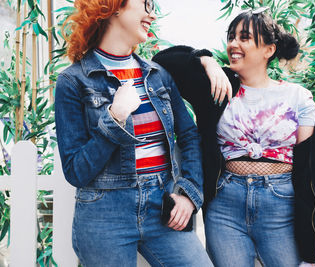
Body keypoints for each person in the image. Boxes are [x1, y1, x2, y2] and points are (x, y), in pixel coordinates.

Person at [153, 8, 315, 267]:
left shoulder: (297, 98)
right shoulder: (218, 88)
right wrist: (207, 61)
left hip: (281, 206)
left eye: (244, 37)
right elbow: (163, 61)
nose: (233, 44)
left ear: (269, 50)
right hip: (226, 206)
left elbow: (312, 170)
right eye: (231, 37)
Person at [54, 0, 214, 266]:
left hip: (162, 207)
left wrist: (188, 194)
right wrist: (115, 118)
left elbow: (189, 137)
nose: (152, 13)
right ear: (114, 7)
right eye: (146, 4)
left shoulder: (158, 76)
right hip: (104, 216)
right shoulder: (73, 81)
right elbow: (75, 171)